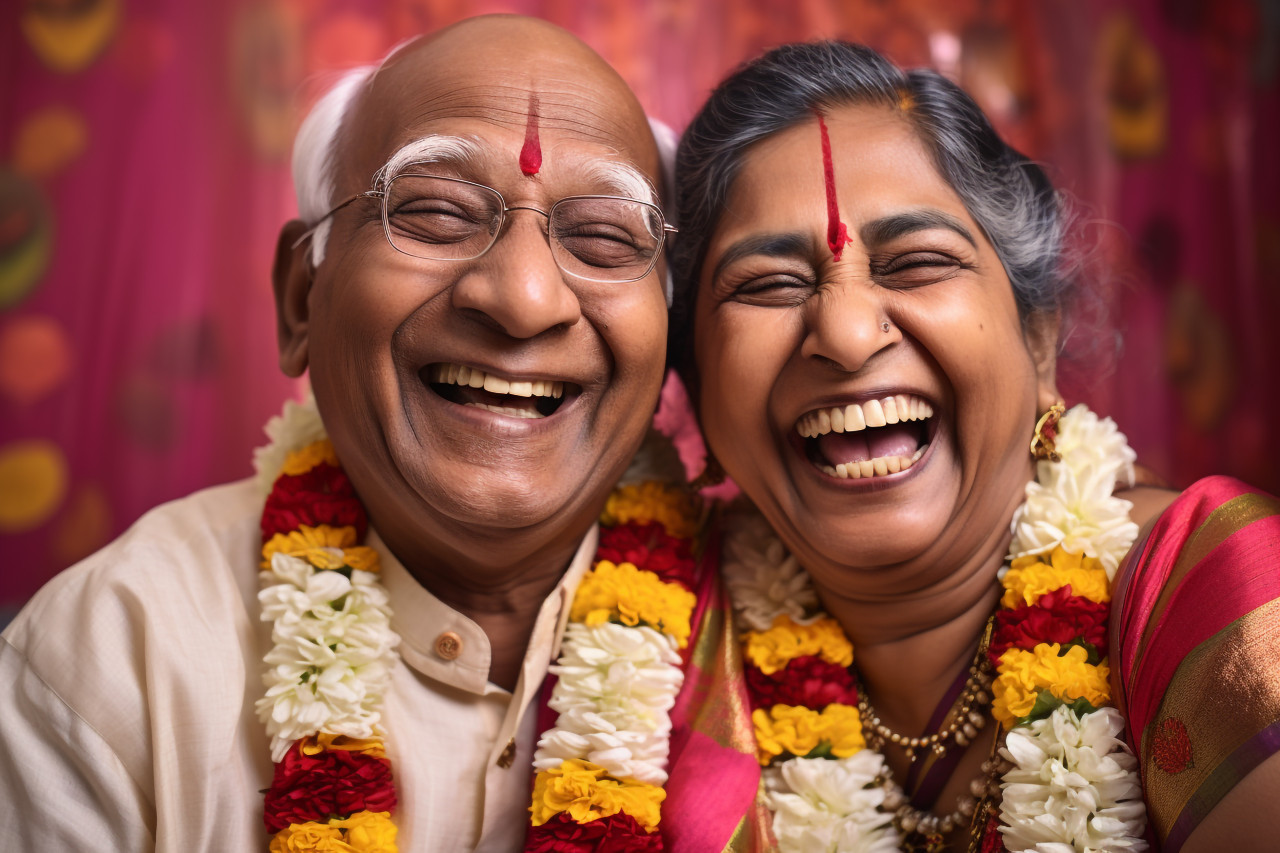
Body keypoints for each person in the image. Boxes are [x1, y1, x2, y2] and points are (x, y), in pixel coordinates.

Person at [0, 16, 761, 852]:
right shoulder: (116, 659)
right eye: (437, 211)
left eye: (606, 236)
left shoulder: (763, 621)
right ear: (302, 298)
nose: (525, 297)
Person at [669, 41, 1280, 853]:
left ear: (1038, 339)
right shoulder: (653, 639)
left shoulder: (1217, 596)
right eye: (769, 284)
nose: (847, 336)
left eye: (917, 263)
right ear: (699, 388)